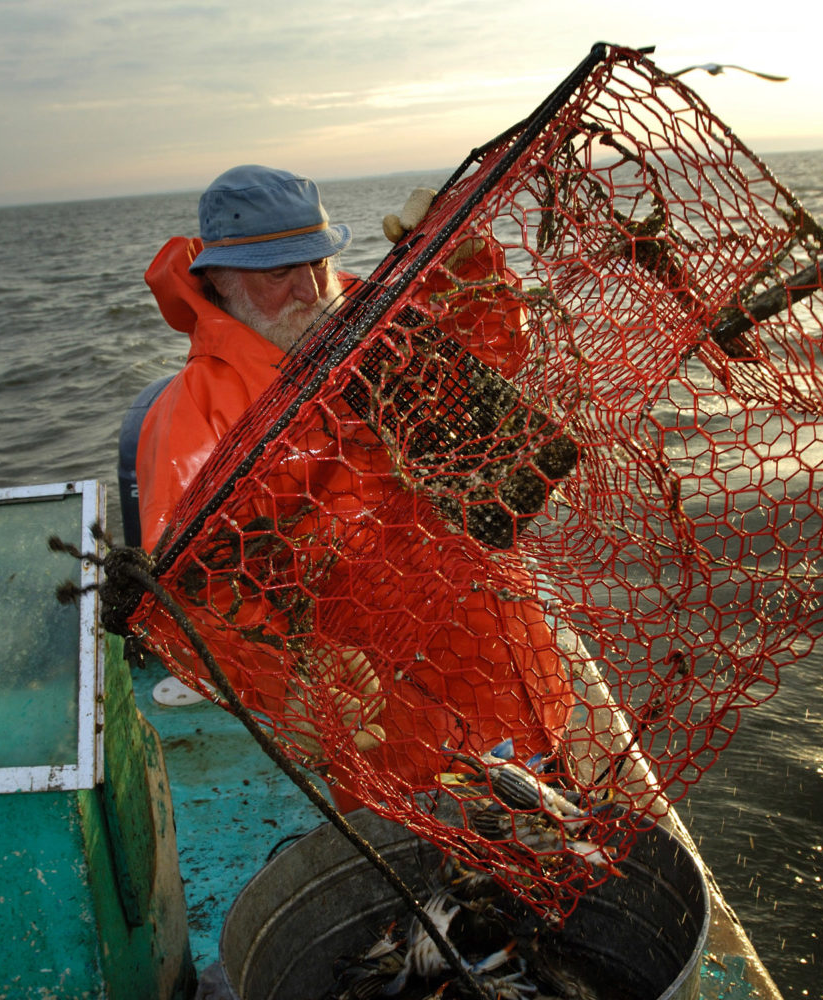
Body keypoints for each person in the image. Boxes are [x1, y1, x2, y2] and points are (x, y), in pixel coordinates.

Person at [135, 165, 571, 810]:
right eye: (277, 274)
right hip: (394, 715)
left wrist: (468, 258)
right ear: (222, 282)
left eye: (317, 260)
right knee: (447, 871)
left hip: (512, 655)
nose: (311, 289)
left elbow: (497, 353)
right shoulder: (199, 413)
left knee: (559, 835)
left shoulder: (379, 325)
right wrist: (285, 690)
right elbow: (188, 599)